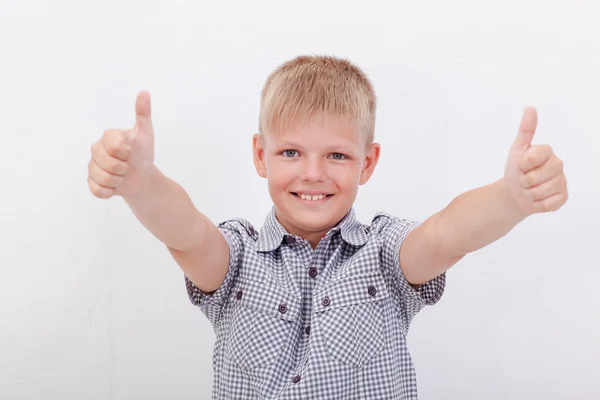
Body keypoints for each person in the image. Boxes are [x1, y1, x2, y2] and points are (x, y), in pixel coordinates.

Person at [87, 55, 568, 399]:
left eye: (337, 155)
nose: (313, 173)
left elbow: (448, 233)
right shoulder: (235, 258)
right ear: (261, 155)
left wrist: (510, 198)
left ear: (367, 162)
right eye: (291, 152)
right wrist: (142, 182)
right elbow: (185, 231)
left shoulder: (385, 254)